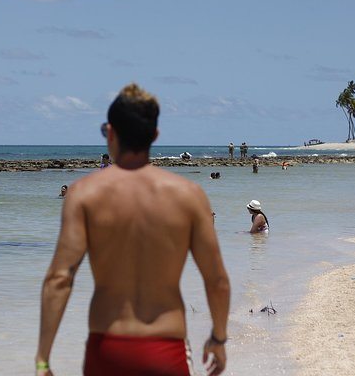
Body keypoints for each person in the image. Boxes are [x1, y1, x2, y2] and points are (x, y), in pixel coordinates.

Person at [36, 83, 230, 376]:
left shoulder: (84, 194)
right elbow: (216, 280)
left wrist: (43, 361)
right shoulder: (189, 195)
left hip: (107, 349)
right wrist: (218, 337)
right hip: (166, 348)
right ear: (154, 136)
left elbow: (59, 280)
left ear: (110, 133)